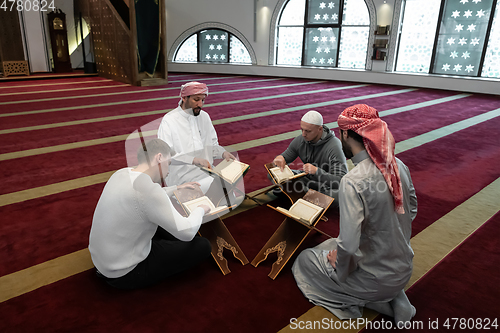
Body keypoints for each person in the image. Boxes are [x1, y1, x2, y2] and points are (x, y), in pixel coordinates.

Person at [292, 104, 418, 325]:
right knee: (330, 244)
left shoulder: (353, 181)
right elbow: (412, 211)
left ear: (346, 133)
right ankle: (398, 297)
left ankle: (376, 303)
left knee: (305, 260)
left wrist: (339, 262)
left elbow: (349, 247)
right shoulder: (399, 166)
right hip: (403, 268)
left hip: (372, 278)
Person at [88, 139, 212, 289]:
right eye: (169, 163)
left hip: (102, 260)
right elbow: (187, 233)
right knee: (203, 245)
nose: (168, 170)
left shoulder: (121, 173)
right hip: (123, 273)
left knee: (157, 219)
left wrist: (176, 188)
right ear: (159, 158)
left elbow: (146, 197)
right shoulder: (149, 191)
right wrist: (201, 209)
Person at [157, 81, 235, 193]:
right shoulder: (169, 120)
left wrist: (223, 153)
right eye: (196, 99)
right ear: (184, 98)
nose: (201, 104)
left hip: (207, 170)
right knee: (218, 189)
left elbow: (212, 145)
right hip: (181, 175)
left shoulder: (204, 116)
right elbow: (166, 155)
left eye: (203, 100)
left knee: (227, 184)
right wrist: (193, 160)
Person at [272, 110, 348, 203]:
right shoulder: (301, 139)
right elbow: (286, 157)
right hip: (308, 180)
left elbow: (341, 181)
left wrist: (317, 172)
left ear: (320, 129)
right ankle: (304, 195)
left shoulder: (334, 146)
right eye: (302, 129)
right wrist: (281, 158)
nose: (303, 134)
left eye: (308, 131)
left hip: (326, 186)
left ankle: (296, 193)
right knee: (273, 174)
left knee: (340, 195)